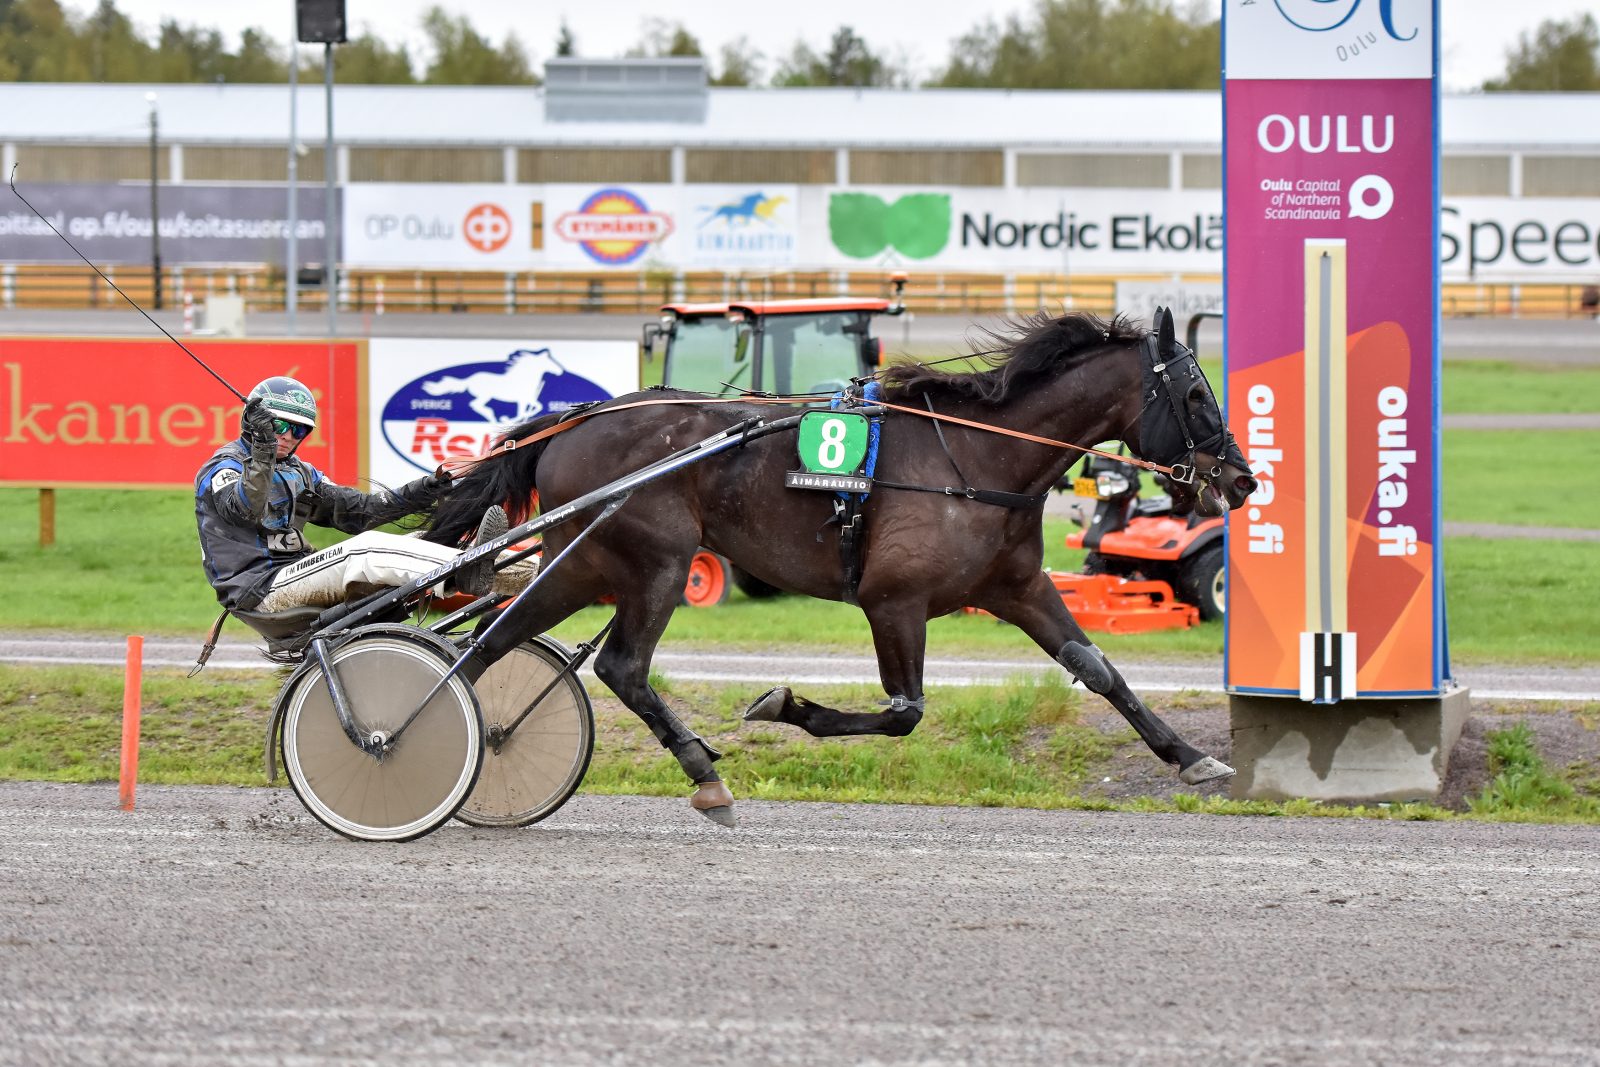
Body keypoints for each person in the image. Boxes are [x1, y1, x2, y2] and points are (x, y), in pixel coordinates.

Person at [194, 375, 527, 623]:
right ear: (255, 424)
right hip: (260, 589)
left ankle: (542, 572)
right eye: (279, 425)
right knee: (365, 550)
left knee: (421, 541)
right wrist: (263, 452)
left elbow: (360, 513)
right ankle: (459, 574)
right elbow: (244, 511)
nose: (287, 436)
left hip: (292, 574)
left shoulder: (300, 471)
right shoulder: (224, 468)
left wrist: (426, 488)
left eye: (299, 431)